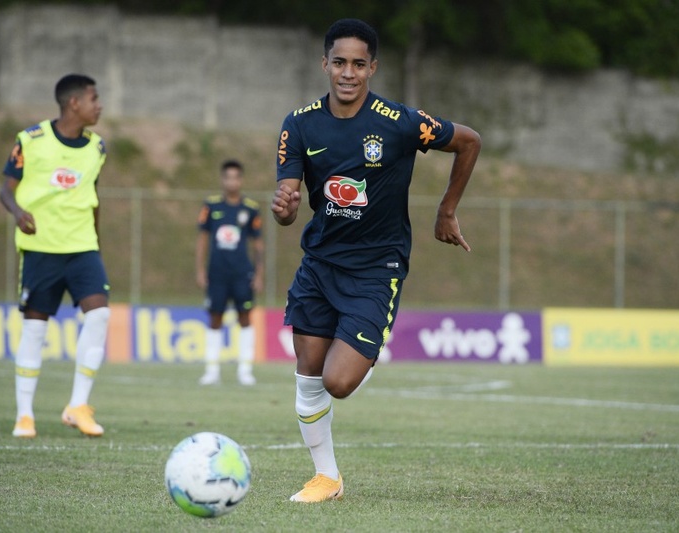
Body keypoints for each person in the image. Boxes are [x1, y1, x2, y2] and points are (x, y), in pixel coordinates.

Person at [271, 19, 481, 502]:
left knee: (337, 382)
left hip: (375, 267)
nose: (348, 73)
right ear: (324, 64)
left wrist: (446, 210)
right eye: (339, 62)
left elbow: (468, 140)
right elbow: (287, 199)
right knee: (307, 377)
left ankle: (366, 353)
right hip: (319, 265)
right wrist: (283, 208)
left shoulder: (399, 121)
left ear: (373, 68)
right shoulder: (299, 124)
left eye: (358, 64)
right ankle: (327, 478)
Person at [0, 73, 111, 438]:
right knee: (35, 329)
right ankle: (24, 415)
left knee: (99, 315)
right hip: (40, 250)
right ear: (74, 103)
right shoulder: (30, 140)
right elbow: (5, 190)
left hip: (82, 248)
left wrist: (95, 239)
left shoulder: (97, 148)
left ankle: (77, 406)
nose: (100, 105)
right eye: (94, 98)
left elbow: (92, 196)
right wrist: (18, 214)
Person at [196, 159, 265, 386]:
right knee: (215, 318)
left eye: (236, 177)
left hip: (241, 273)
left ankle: (245, 370)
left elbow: (258, 244)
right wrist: (200, 269)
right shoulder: (212, 206)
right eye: (228, 177)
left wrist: (259, 273)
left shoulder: (250, 208)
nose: (232, 181)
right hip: (217, 273)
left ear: (241, 180)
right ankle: (211, 370)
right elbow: (202, 239)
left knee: (245, 318)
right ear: (222, 179)